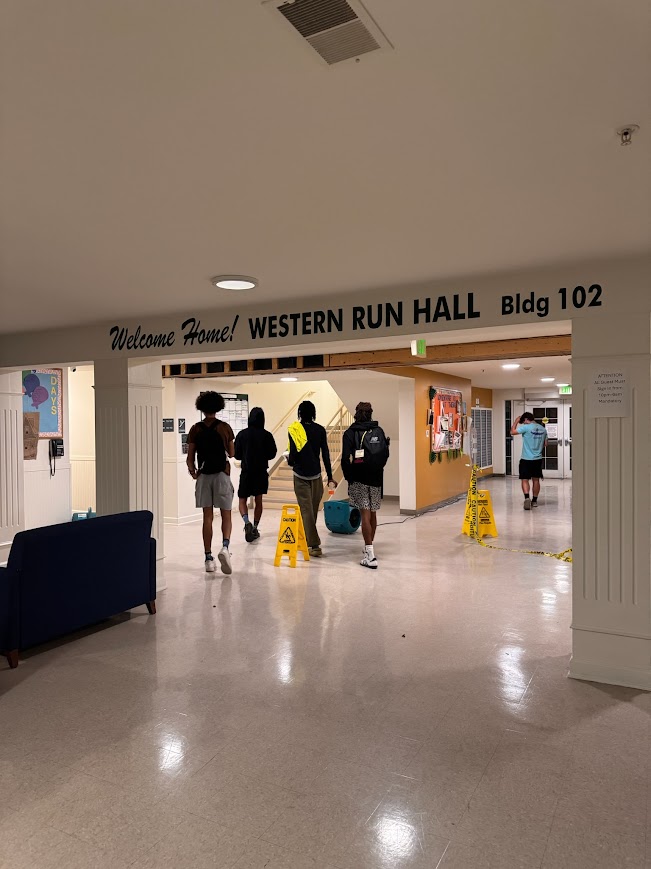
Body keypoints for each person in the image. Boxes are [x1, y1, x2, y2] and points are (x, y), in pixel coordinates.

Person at [186, 391, 235, 574]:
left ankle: (208, 558)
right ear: (218, 406)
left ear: (201, 407)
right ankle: (225, 548)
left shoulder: (195, 429)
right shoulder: (224, 427)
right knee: (226, 514)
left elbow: (190, 457)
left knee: (207, 517)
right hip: (222, 475)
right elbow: (231, 453)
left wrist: (193, 472)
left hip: (204, 476)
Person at [342, 402, 390, 569]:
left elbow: (344, 459)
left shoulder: (350, 433)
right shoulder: (379, 431)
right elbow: (386, 454)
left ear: (356, 413)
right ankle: (369, 548)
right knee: (373, 514)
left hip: (359, 478)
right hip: (376, 478)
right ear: (370, 413)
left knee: (364, 514)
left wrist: (349, 478)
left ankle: (370, 555)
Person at [287, 400, 335, 558]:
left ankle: (307, 539)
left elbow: (293, 454)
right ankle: (314, 545)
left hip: (300, 475)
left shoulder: (294, 430)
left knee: (308, 512)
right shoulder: (320, 430)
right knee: (310, 510)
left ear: (300, 413)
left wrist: (289, 460)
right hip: (316, 476)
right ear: (313, 413)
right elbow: (325, 454)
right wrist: (330, 476)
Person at [234, 407, 277, 542]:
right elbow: (272, 454)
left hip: (246, 472)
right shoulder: (267, 435)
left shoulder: (242, 435)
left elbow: (237, 454)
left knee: (242, 499)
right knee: (258, 500)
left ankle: (247, 523)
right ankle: (255, 527)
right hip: (260, 472)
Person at [511, 411, 548, 510]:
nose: (523, 423)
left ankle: (527, 498)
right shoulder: (543, 429)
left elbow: (512, 432)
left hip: (526, 459)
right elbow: (545, 444)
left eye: (523, 422)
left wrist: (516, 421)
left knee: (525, 479)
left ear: (526, 420)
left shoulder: (527, 427)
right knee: (536, 480)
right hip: (537, 459)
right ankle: (534, 501)